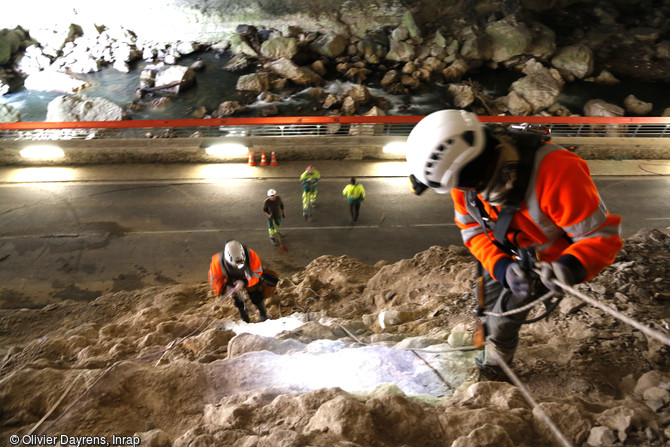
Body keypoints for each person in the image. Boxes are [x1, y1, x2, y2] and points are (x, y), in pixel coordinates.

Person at [405, 109, 623, 380]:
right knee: (485, 303)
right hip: (502, 253)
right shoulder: (467, 187)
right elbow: (472, 230)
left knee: (505, 318)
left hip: (546, 266)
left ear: (468, 173)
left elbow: (600, 236)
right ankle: (486, 334)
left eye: (458, 184)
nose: (457, 190)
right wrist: (501, 266)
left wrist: (569, 267)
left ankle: (499, 358)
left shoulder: (557, 172)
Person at [208, 240, 269, 323]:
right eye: (235, 265)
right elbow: (215, 281)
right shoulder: (217, 263)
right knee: (237, 298)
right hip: (231, 280)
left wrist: (244, 282)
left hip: (248, 277)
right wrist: (224, 289)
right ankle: (244, 317)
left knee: (255, 293)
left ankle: (263, 314)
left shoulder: (250, 255)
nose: (238, 266)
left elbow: (257, 274)